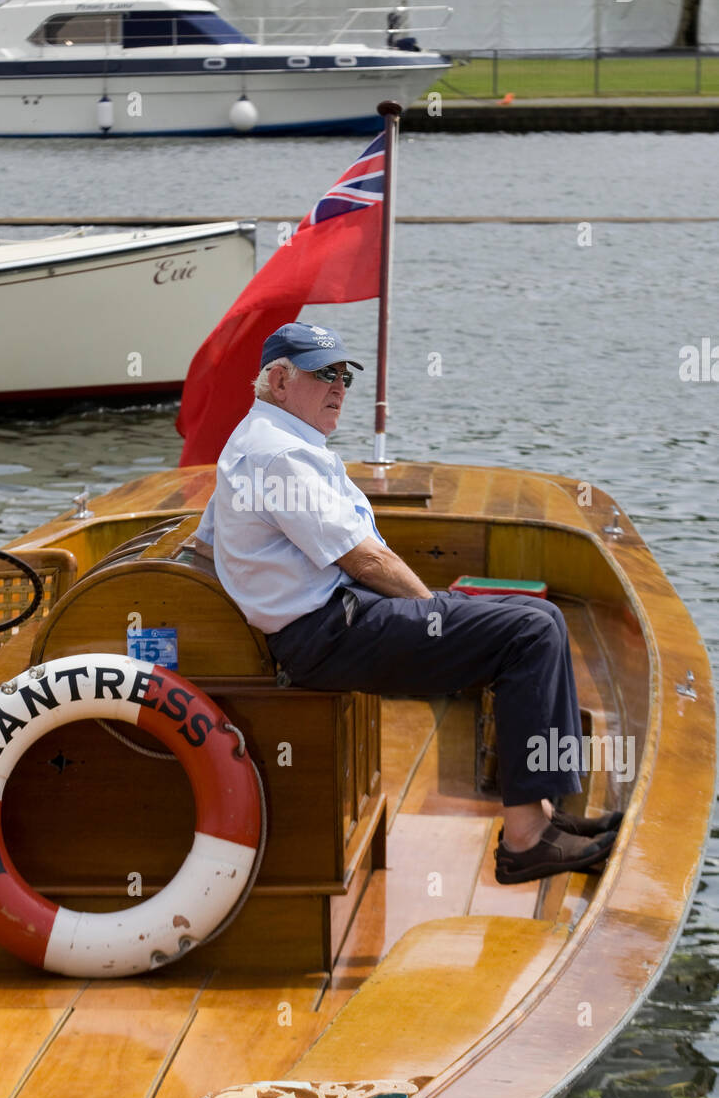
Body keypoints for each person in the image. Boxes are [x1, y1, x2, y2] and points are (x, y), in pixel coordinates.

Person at [194, 322, 619, 884]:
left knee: (542, 617)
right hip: (325, 633)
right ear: (277, 380)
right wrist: (434, 611)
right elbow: (366, 561)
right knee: (532, 633)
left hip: (330, 621)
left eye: (344, 376)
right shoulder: (278, 457)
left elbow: (205, 541)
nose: (341, 388)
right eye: (325, 375)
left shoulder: (261, 441)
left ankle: (544, 811)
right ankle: (524, 841)